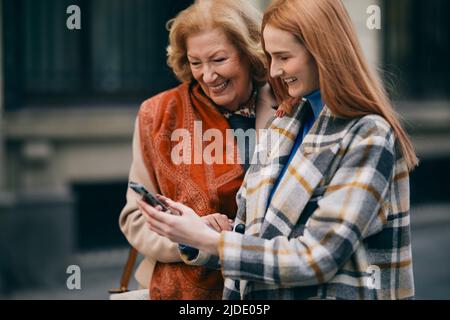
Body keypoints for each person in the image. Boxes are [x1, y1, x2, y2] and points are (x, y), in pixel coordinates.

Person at [143, 0, 419, 300]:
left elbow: (316, 259)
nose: (273, 70)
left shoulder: (368, 136)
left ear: (322, 51)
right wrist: (197, 231)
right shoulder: (283, 126)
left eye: (284, 57)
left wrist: (210, 241)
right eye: (271, 57)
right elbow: (258, 235)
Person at [119, 0, 276, 300]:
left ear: (249, 53)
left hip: (266, 286)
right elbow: (135, 217)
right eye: (196, 62)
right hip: (183, 292)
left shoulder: (286, 105)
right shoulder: (158, 114)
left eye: (218, 59)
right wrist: (187, 239)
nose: (208, 75)